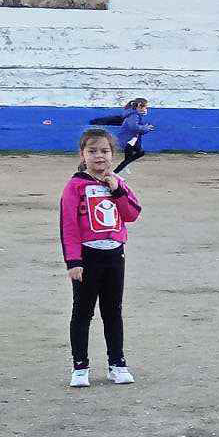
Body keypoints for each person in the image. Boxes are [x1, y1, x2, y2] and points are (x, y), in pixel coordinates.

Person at [60, 128, 143, 388]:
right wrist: (74, 262)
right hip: (87, 257)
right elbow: (69, 225)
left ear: (112, 154)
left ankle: (117, 363)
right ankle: (80, 366)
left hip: (114, 255)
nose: (99, 156)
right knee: (82, 313)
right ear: (82, 155)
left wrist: (117, 190)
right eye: (92, 151)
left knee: (113, 312)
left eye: (104, 151)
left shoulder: (118, 183)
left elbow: (132, 214)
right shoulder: (75, 186)